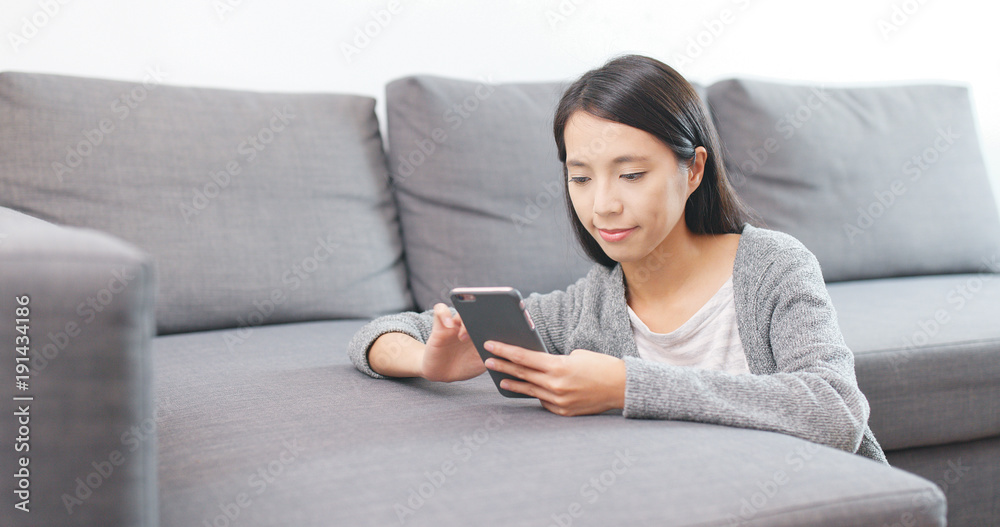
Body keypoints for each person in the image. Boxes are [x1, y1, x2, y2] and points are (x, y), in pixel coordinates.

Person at [347, 54, 887, 464]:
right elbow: (377, 333)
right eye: (580, 177)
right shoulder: (589, 308)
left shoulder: (773, 267)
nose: (602, 203)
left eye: (631, 175)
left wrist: (626, 385)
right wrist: (428, 362)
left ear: (693, 170)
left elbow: (835, 410)